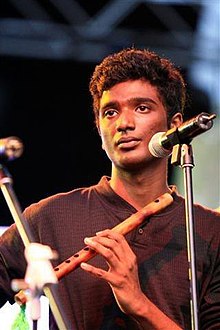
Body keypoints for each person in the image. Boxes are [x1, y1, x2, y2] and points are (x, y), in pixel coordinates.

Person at [0, 47, 219, 330]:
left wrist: (138, 304)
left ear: (174, 125)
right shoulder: (50, 217)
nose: (124, 124)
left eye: (142, 108)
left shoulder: (210, 231)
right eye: (111, 112)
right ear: (98, 128)